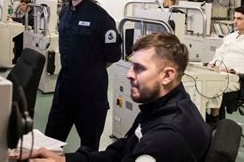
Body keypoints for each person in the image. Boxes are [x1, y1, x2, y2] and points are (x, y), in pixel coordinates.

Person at [27, 33, 212, 161]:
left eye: (139, 68)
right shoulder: (160, 106)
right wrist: (65, 160)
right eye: (131, 65)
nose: (129, 74)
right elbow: (121, 150)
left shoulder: (166, 136)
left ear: (167, 76)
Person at [45, 0, 121, 151]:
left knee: (89, 148)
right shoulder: (64, 12)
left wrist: (91, 67)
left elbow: (113, 54)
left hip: (91, 93)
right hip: (65, 88)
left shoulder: (101, 18)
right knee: (51, 142)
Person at [207, 5, 244, 123]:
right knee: (199, 83)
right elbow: (218, 55)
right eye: (234, 18)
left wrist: (231, 71)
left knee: (212, 87)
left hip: (239, 80)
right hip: (220, 73)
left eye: (239, 19)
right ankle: (202, 119)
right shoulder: (229, 37)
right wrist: (213, 65)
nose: (234, 22)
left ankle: (214, 118)